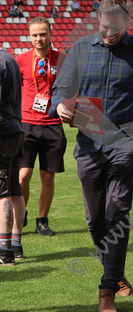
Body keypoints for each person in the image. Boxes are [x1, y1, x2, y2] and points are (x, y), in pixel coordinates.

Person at [49, 0, 133, 312]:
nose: (109, 33)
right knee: (94, 219)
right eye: (104, 26)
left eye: (115, 28)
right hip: (88, 145)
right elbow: (60, 88)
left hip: (126, 145)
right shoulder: (80, 48)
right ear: (98, 18)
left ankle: (106, 292)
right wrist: (60, 105)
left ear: (127, 20)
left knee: (117, 212)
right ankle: (115, 271)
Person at [16, 17, 67, 237]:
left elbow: (71, 88)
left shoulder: (62, 59)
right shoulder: (20, 60)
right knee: (22, 175)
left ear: (50, 34)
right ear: (30, 36)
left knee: (48, 176)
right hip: (26, 124)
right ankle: (21, 212)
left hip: (53, 124)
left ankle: (42, 220)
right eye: (35, 34)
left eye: (43, 34)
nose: (39, 38)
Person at [0, 49, 25, 265]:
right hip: (16, 128)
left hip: (3, 131)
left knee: (2, 193)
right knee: (14, 189)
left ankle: (4, 251)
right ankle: (16, 246)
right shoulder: (10, 58)